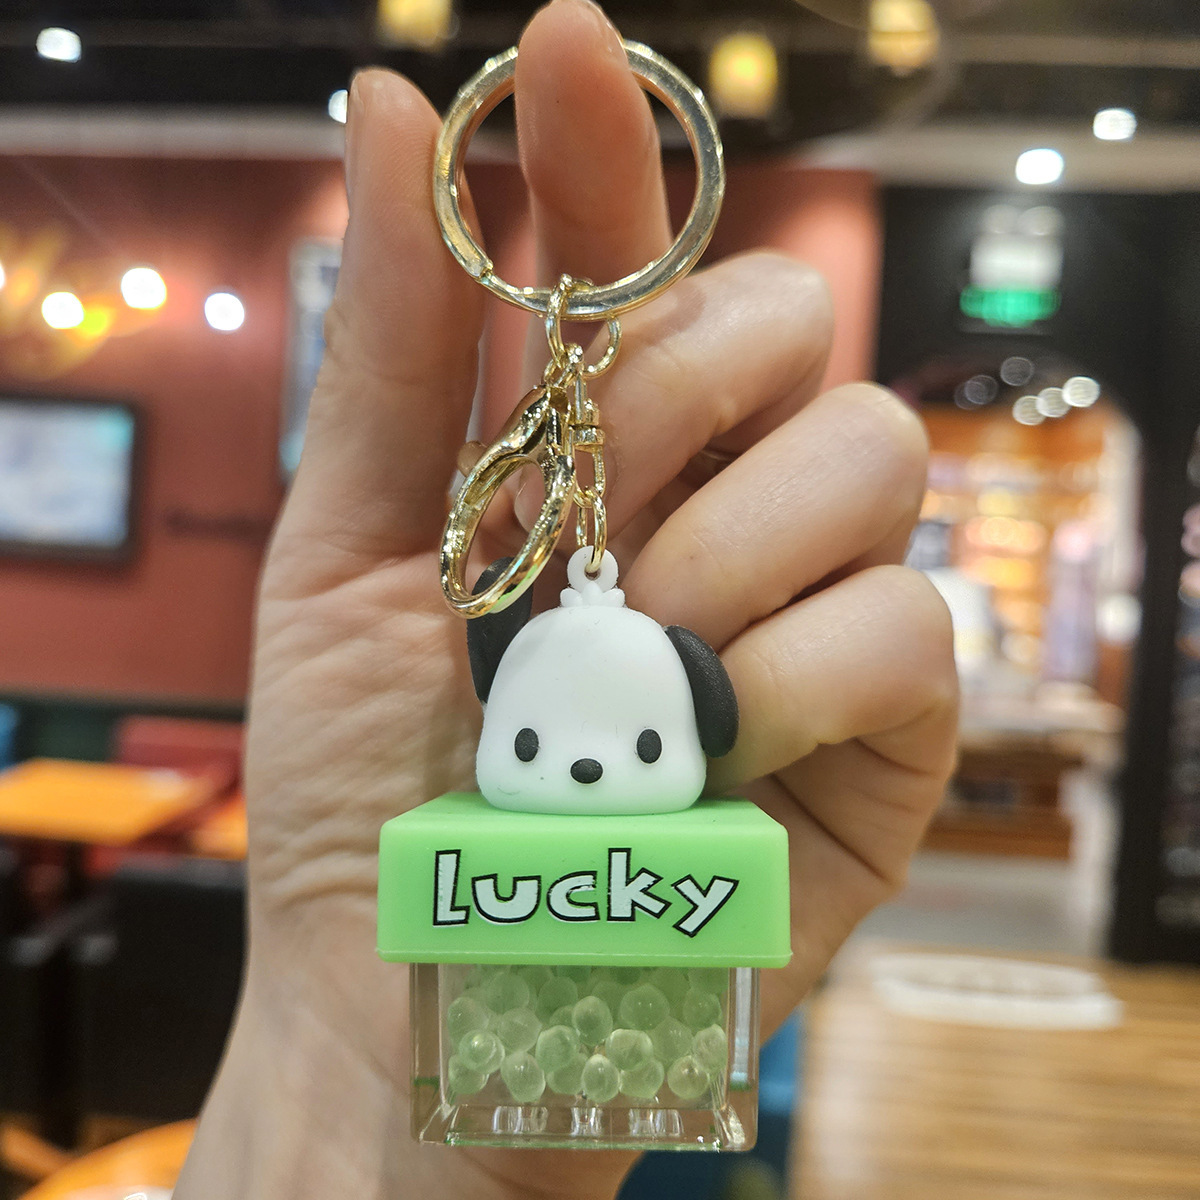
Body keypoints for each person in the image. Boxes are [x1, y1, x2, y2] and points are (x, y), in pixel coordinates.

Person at [174, 2, 958, 1196]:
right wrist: (323, 1108)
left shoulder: (630, 683)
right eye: (541, 743)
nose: (586, 763)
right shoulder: (468, 748)